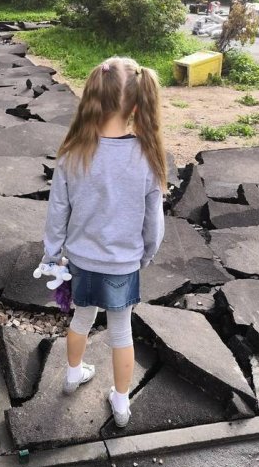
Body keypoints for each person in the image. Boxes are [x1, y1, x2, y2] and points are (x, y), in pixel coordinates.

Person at [41, 57, 166, 428]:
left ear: (92, 96)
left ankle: (72, 373)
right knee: (121, 330)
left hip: (80, 260)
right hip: (123, 264)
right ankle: (121, 401)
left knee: (80, 318)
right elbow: (153, 224)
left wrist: (52, 255)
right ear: (137, 104)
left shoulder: (73, 152)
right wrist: (146, 255)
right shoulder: (147, 156)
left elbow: (57, 211)